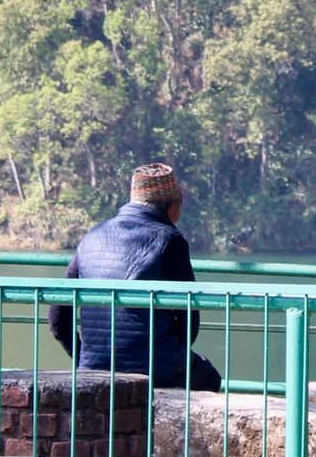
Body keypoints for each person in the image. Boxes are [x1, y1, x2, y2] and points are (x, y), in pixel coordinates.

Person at [47, 163, 223, 391]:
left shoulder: (92, 236)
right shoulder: (170, 240)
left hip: (92, 366)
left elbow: (57, 319)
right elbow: (189, 317)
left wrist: (84, 359)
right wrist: (173, 355)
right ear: (173, 206)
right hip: (156, 367)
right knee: (209, 378)